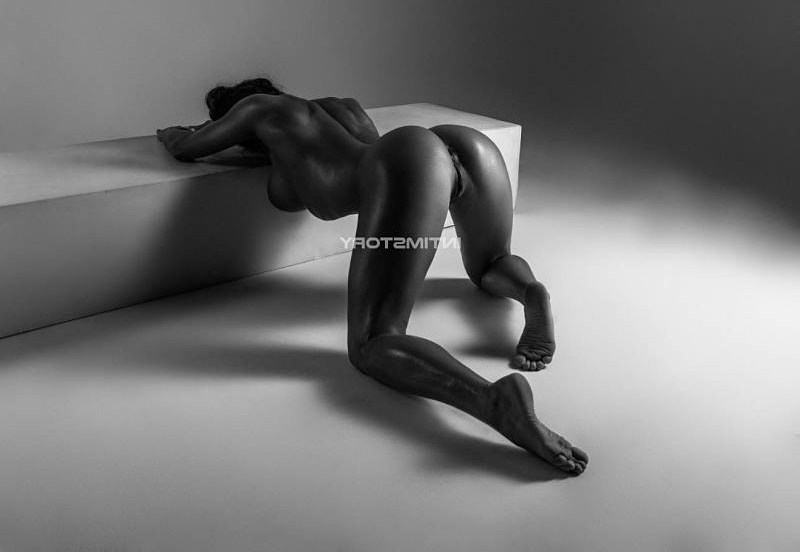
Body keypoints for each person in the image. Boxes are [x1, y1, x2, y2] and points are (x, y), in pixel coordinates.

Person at [157, 77, 588, 475]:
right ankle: (531, 292)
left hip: (408, 161)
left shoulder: (257, 109)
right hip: (461, 144)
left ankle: (494, 401)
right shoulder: (336, 108)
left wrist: (183, 133)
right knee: (491, 262)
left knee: (372, 341)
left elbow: (185, 147)